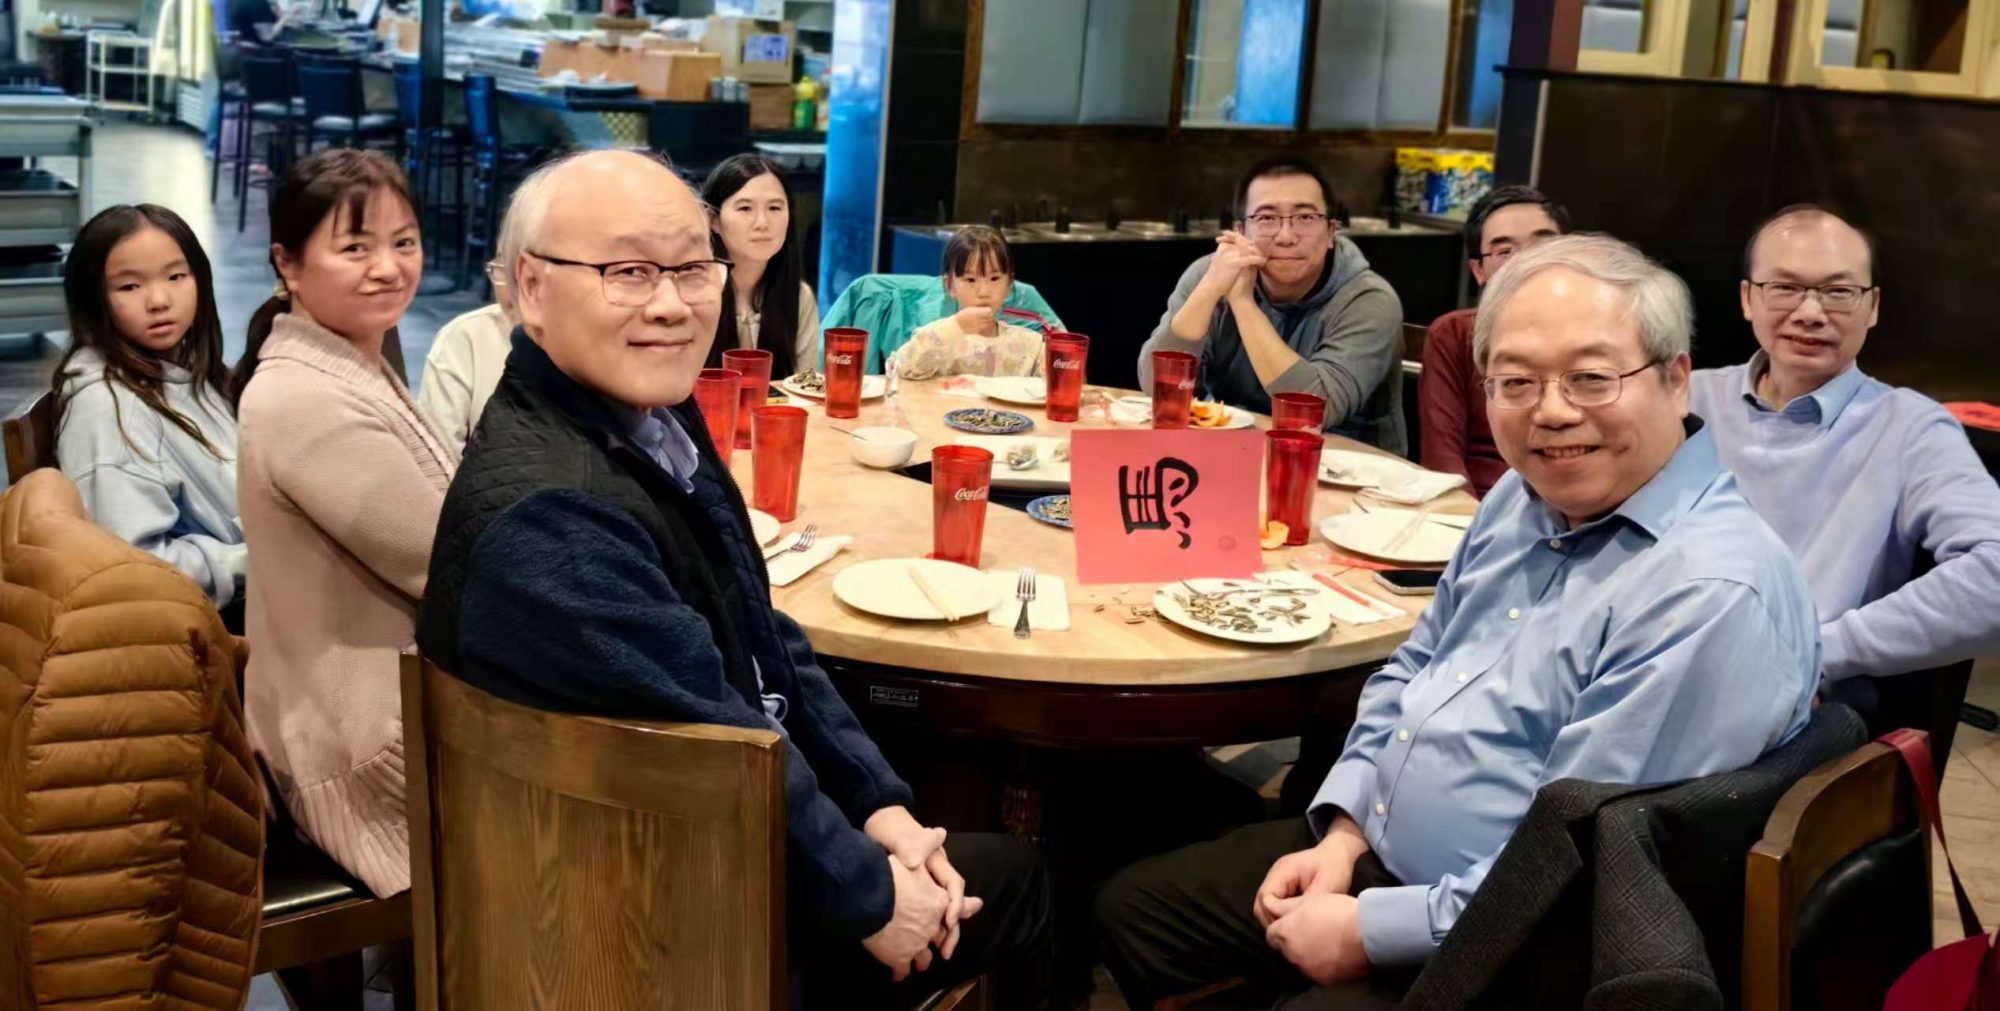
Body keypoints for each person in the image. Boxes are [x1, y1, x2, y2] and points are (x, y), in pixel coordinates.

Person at [1094, 234, 1819, 1009]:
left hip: (1514, 943)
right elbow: (1416, 665)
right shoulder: (1521, 497)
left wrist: (1371, 929)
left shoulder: (1706, 590)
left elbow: (1573, 861)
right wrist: (1346, 833)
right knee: (1133, 912)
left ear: (1675, 379)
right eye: (1516, 381)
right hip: (1386, 857)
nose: (1551, 411)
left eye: (1591, 377)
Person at [415, 150, 1051, 1007]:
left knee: (943, 825)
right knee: (1019, 879)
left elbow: (762, 630)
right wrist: (874, 896)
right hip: (659, 928)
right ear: (531, 287)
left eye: (691, 268)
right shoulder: (554, 512)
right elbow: (717, 737)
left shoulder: (650, 416)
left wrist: (881, 807)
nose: (671, 304)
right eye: (628, 272)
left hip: (706, 846)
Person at [1689, 205, 2000, 740]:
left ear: (1872, 306)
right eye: (1785, 288)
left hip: (1798, 712)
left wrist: (1822, 650)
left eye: (1838, 292)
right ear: (1747, 298)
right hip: (1655, 672)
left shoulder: (1910, 428)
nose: (1811, 312)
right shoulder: (1686, 400)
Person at [236, 148, 457, 897]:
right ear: (288, 264)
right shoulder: (302, 397)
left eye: (404, 242)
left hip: (389, 709)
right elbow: (451, 561)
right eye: (356, 247)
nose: (389, 268)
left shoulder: (349, 356)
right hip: (368, 757)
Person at [52, 204, 247, 630]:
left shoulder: (185, 372)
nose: (159, 301)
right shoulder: (107, 411)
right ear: (93, 300)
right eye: (129, 286)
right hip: (217, 631)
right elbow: (136, 570)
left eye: (176, 277)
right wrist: (255, 559)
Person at [1140, 156, 1404, 451]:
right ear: (1241, 232)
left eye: (1305, 217)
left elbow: (1314, 412)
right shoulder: (1211, 275)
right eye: (1266, 218)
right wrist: (1208, 291)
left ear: (1331, 232)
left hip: (1348, 464)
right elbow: (1155, 388)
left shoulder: (1369, 300)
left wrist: (1243, 304)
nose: (1286, 237)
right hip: (1230, 453)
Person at [1419, 185, 1569, 496]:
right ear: (1479, 270)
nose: (1527, 261)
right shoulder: (1455, 335)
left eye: (1544, 245)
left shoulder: (1605, 335)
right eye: (1505, 251)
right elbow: (1443, 460)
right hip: (1476, 508)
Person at [416, 172, 550, 448]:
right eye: (504, 267)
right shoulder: (465, 340)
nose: (519, 291)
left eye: (534, 276)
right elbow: (435, 459)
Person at [702, 153, 822, 376]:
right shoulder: (695, 294)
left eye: (774, 208)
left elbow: (804, 385)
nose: (762, 223)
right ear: (714, 220)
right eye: (745, 209)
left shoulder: (798, 297)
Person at [888, 225, 1045, 380]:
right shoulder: (939, 337)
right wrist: (956, 326)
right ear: (950, 286)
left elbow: (1055, 375)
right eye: (970, 280)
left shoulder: (1029, 344)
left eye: (994, 278)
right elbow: (902, 369)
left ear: (1009, 285)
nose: (984, 292)